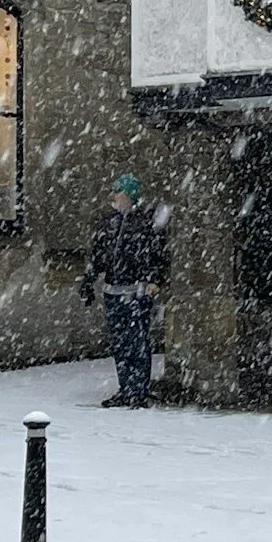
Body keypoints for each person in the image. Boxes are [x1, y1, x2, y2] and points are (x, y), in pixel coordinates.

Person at [83, 174, 169, 408]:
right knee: (120, 343)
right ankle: (126, 387)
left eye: (118, 192)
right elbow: (98, 253)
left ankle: (138, 391)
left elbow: (158, 254)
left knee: (137, 341)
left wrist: (153, 280)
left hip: (136, 291)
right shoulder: (108, 222)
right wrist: (89, 279)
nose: (114, 196)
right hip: (113, 290)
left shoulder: (145, 223)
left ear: (129, 196)